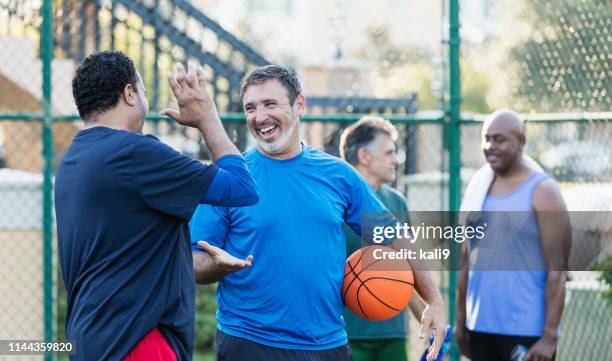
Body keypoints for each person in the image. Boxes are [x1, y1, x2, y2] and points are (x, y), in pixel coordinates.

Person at [190, 65, 446, 361]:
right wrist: (218, 265)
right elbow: (194, 261)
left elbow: (394, 238)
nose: (259, 117)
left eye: (270, 104)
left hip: (327, 345)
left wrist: (434, 300)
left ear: (299, 104)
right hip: (249, 341)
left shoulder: (338, 175)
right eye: (251, 108)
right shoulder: (228, 177)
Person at [55, 51, 259, 361]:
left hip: (91, 341)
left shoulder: (74, 157)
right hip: (137, 342)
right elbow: (242, 187)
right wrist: (207, 118)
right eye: (144, 90)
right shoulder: (135, 152)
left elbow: (126, 252)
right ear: (129, 93)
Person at [454, 109, 569, 361]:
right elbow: (466, 260)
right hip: (480, 328)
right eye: (486, 138)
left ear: (521, 142)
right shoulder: (479, 187)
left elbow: (557, 272)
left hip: (526, 331)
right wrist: (460, 322)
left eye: (499, 139)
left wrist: (549, 337)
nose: (490, 146)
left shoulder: (543, 191)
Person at [339, 116, 426, 361]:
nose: (396, 160)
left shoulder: (397, 202)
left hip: (392, 335)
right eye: (389, 153)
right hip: (345, 334)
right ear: (365, 157)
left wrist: (426, 320)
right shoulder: (334, 202)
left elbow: (406, 271)